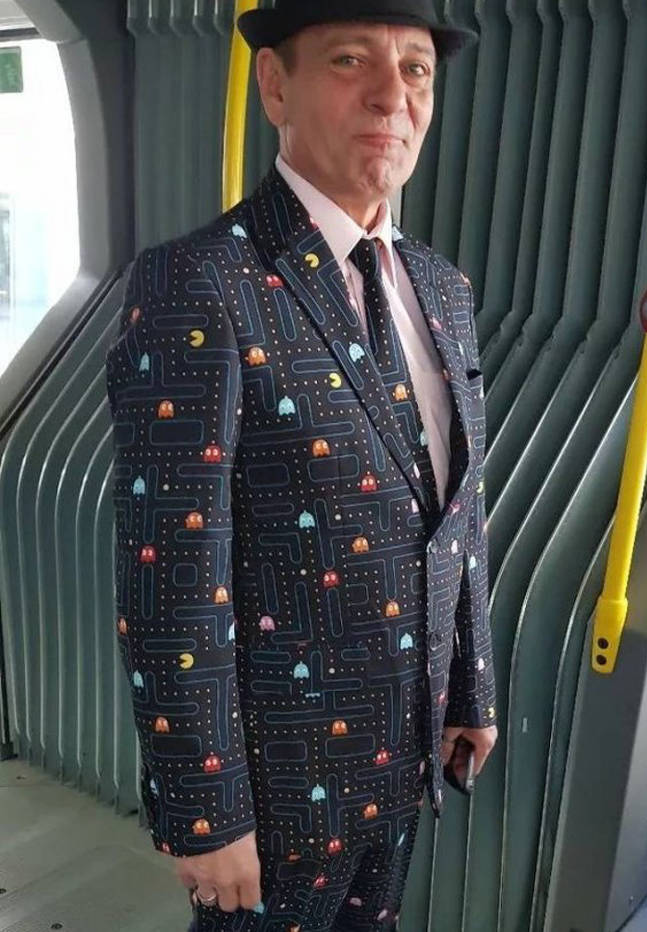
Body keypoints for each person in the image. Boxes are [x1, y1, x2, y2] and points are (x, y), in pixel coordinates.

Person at [104, 0, 499, 928]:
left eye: (415, 69)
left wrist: (469, 685)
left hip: (403, 749)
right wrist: (204, 811)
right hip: (273, 787)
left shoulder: (440, 287)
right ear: (275, 85)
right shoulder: (201, 282)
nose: (392, 96)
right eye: (351, 60)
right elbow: (170, 573)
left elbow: (457, 510)